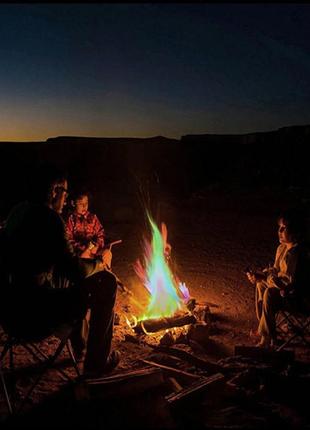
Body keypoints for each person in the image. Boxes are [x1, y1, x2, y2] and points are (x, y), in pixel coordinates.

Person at [0, 164, 120, 377]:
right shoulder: (51, 221)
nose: (66, 200)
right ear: (55, 191)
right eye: (65, 192)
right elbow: (74, 271)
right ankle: (95, 365)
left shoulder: (17, 212)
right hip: (36, 313)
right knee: (106, 282)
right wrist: (99, 264)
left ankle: (80, 345)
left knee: (74, 282)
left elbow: (55, 266)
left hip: (9, 311)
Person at [246, 208, 310, 348]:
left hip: (296, 297)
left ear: (296, 232)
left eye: (284, 228)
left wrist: (267, 277)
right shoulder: (282, 248)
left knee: (269, 292)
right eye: (279, 227)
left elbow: (288, 283)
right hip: (282, 290)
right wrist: (262, 275)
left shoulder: (297, 254)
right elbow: (275, 270)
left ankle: (267, 338)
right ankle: (265, 329)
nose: (279, 231)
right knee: (260, 285)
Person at [65, 191, 105, 259]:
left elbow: (100, 233)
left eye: (86, 203)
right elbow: (68, 239)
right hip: (79, 252)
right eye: (81, 204)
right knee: (84, 256)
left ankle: (102, 268)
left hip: (94, 249)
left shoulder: (93, 217)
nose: (84, 206)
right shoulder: (70, 219)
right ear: (73, 203)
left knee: (107, 254)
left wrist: (97, 245)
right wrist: (83, 247)